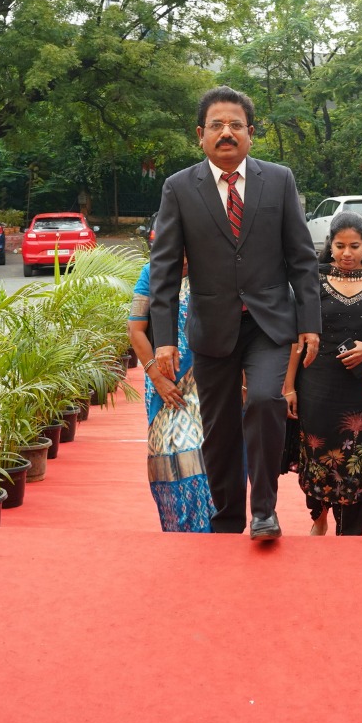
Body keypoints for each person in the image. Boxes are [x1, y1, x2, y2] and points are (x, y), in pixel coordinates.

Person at [149, 86, 321, 539]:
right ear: (200, 134)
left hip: (269, 324)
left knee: (266, 400)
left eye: (236, 125)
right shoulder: (180, 188)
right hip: (212, 327)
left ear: (251, 133)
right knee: (220, 428)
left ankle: (264, 510)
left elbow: (302, 258)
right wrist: (163, 337)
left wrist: (310, 324)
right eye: (217, 126)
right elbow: (164, 268)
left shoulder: (278, 180)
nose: (227, 133)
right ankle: (226, 517)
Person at [282, 212, 362, 536]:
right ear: (330, 246)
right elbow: (296, 337)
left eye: (355, 246)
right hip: (316, 385)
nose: (347, 253)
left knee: (360, 458)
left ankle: (351, 533)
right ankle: (318, 516)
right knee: (317, 455)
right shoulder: (313, 280)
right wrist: (289, 386)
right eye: (340, 245)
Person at [127, 232, 215, 532]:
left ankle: (212, 532)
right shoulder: (152, 273)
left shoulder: (212, 271)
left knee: (208, 457)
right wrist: (156, 377)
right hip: (165, 385)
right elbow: (135, 330)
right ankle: (178, 531)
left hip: (208, 381)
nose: (186, 259)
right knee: (166, 454)